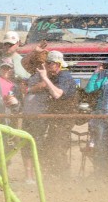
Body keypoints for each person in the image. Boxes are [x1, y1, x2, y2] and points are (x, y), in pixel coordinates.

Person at [23, 50, 77, 179]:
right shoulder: (54, 76)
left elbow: (57, 94)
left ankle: (63, 178)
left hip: (64, 119)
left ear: (58, 64)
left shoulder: (64, 76)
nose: (46, 65)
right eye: (46, 63)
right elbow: (24, 63)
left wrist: (45, 78)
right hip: (56, 119)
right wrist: (35, 51)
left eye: (49, 63)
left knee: (58, 147)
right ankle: (52, 176)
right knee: (48, 147)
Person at [85, 57, 108, 177]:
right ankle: (102, 172)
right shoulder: (105, 78)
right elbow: (89, 89)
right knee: (101, 144)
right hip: (103, 115)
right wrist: (96, 72)